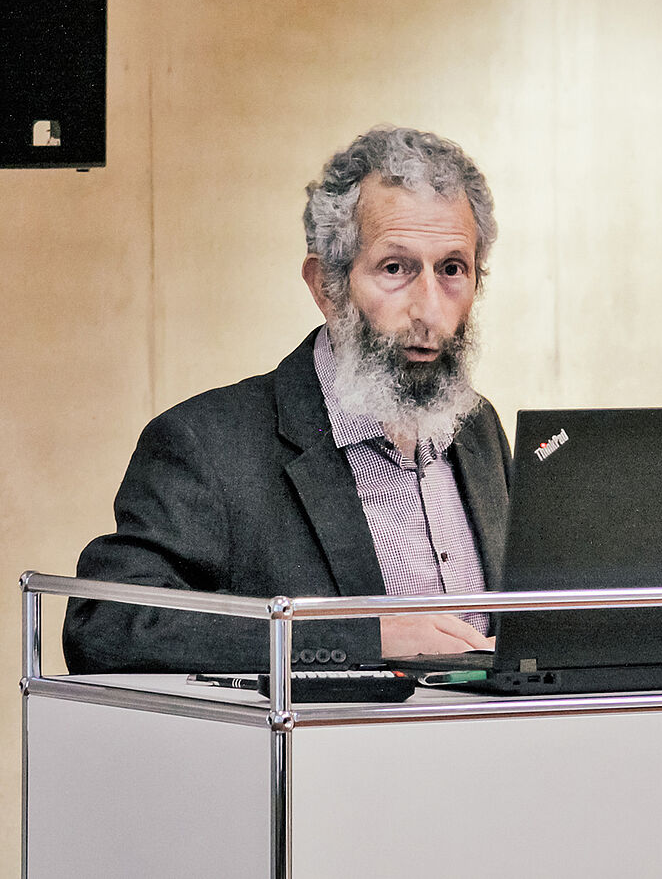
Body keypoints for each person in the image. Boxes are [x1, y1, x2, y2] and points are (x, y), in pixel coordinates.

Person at [63, 126, 511, 673]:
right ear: (325, 286)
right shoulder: (207, 444)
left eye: (452, 269)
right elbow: (106, 627)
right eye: (395, 268)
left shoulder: (479, 428)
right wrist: (366, 640)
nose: (431, 311)